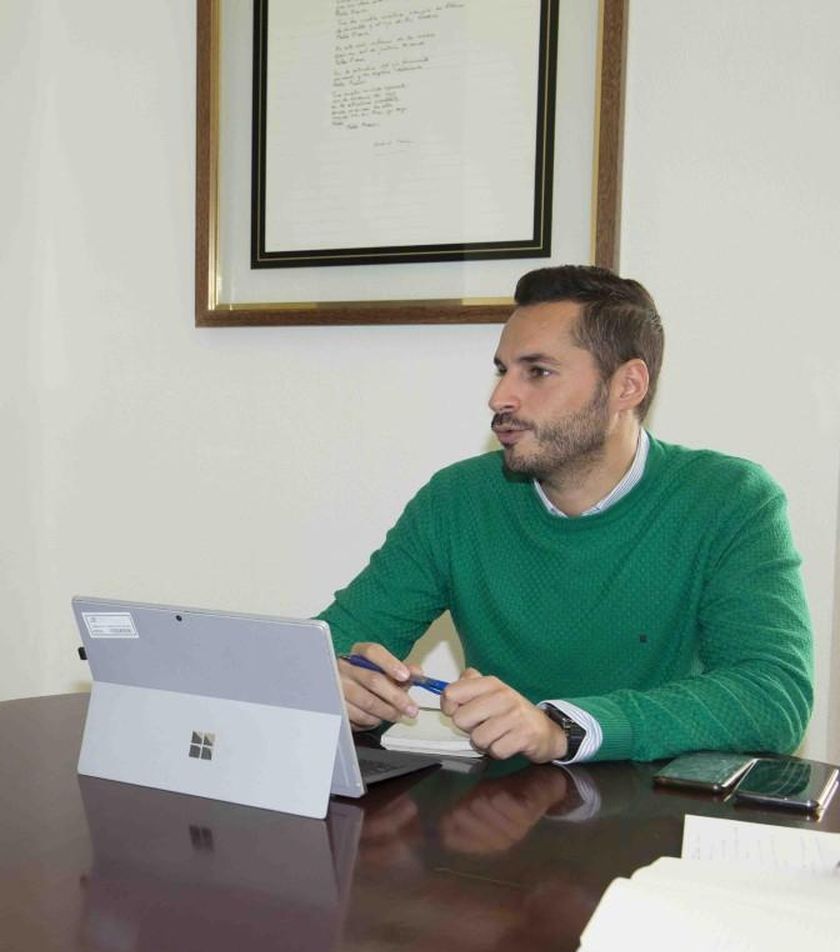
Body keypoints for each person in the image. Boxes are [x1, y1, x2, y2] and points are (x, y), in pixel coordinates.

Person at [321, 265, 812, 764]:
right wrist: (337, 681)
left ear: (627, 385)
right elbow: (332, 640)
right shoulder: (457, 499)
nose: (499, 397)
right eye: (503, 370)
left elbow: (774, 694)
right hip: (495, 800)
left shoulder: (729, 498)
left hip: (657, 799)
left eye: (538, 371)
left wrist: (566, 727)